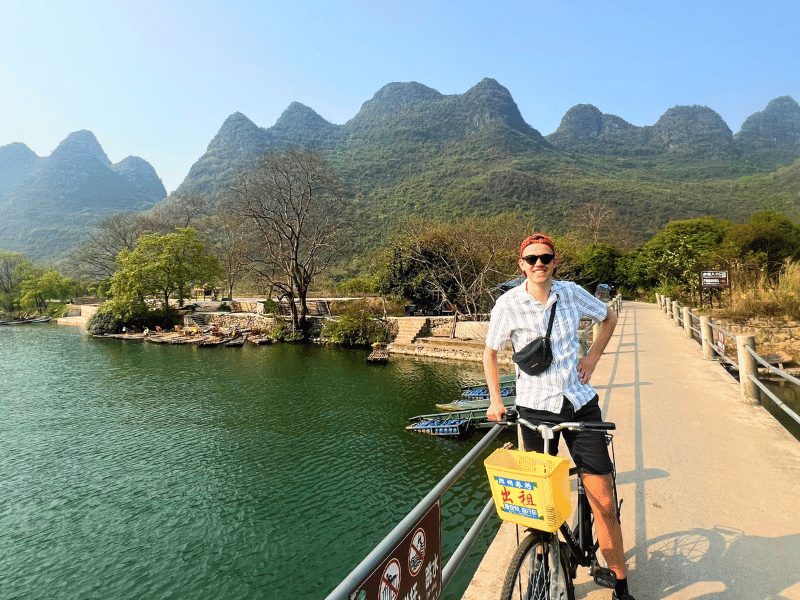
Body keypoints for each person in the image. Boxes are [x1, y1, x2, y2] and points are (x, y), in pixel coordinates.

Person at [483, 232, 635, 600]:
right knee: (537, 504)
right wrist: (494, 400)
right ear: (521, 265)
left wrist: (593, 357)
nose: (539, 264)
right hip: (535, 408)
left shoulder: (569, 293)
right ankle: (543, 556)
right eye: (531, 259)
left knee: (602, 500)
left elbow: (609, 316)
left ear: (555, 262)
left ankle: (620, 583)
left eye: (545, 258)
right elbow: (489, 353)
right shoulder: (507, 304)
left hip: (579, 404)